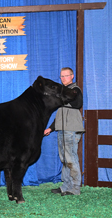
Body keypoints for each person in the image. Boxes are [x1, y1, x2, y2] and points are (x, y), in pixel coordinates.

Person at [44, 67, 85, 196]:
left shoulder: (75, 90)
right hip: (62, 129)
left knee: (71, 158)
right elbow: (60, 116)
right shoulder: (63, 93)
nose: (63, 78)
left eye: (66, 76)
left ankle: (75, 188)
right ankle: (66, 186)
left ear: (72, 76)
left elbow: (78, 103)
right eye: (61, 76)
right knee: (64, 159)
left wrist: (61, 97)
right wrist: (51, 128)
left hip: (71, 130)